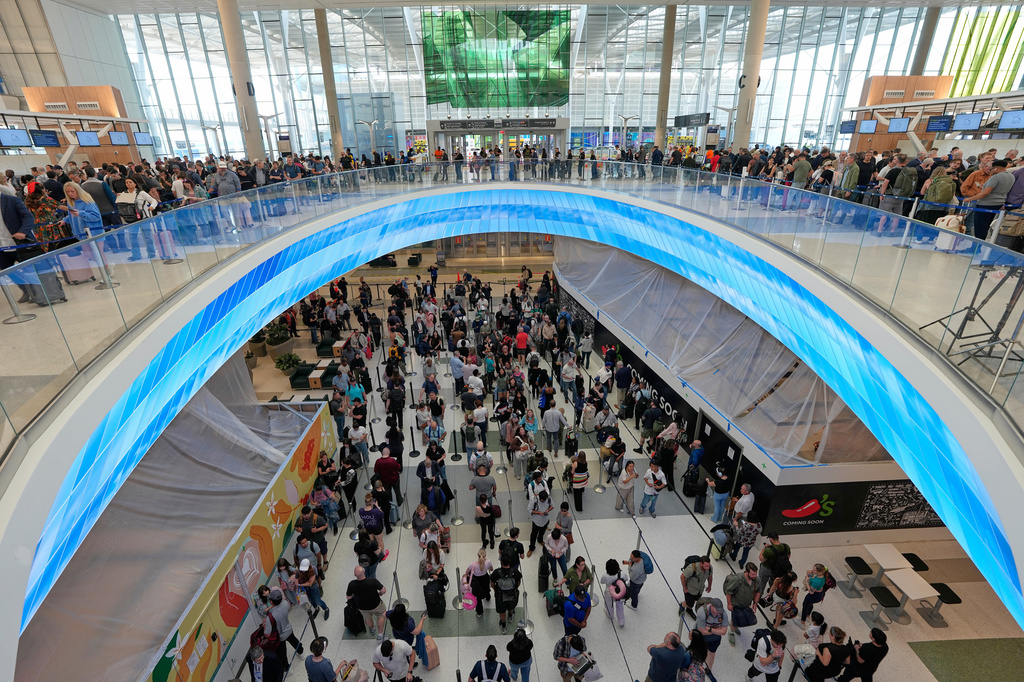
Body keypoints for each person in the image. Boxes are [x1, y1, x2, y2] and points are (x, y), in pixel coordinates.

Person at [347, 565, 388, 639]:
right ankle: (380, 634)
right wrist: (380, 593)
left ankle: (372, 629)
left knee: (368, 619)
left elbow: (348, 597)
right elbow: (383, 590)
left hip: (362, 607)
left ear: (355, 575)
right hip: (376, 605)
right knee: (381, 616)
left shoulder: (352, 584)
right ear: (364, 572)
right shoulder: (372, 581)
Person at [723, 562, 760, 645]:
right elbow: (728, 591)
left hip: (746, 604)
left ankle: (734, 625)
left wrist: (755, 603)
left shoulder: (756, 580)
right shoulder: (737, 579)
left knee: (741, 618)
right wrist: (729, 604)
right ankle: (731, 631)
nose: (755, 576)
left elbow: (758, 591)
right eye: (753, 574)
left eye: (755, 574)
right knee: (736, 619)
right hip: (736, 604)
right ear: (746, 572)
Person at [491, 552, 523, 634]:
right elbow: (518, 582)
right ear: (510, 561)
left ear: (501, 562)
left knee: (502, 612)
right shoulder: (515, 571)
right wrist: (514, 588)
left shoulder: (496, 572)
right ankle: (510, 616)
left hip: (500, 596)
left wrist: (496, 590)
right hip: (512, 594)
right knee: (511, 607)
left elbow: (492, 584)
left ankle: (504, 626)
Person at [694, 597, 728, 670]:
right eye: (717, 610)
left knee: (712, 654)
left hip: (715, 639)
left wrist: (710, 629)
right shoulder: (702, 613)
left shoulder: (723, 614)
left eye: (720, 611)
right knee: (697, 652)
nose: (719, 613)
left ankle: (709, 669)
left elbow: (724, 632)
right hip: (701, 638)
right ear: (711, 606)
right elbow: (701, 631)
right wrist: (717, 630)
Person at [465, 548, 495, 616]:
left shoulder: (472, 564)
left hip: (476, 580)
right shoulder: (488, 562)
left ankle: (479, 612)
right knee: (487, 589)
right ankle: (488, 597)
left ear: (477, 555)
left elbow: (467, 572)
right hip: (485, 578)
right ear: (485, 555)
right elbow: (491, 569)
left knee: (478, 597)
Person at [599, 558, 627, 627]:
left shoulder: (605, 576)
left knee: (609, 605)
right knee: (620, 606)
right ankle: (621, 621)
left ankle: (610, 615)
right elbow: (626, 579)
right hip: (620, 593)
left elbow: (602, 582)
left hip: (609, 593)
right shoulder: (622, 574)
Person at [527, 490, 553, 557]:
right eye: (542, 500)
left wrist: (548, 510)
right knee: (533, 534)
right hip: (536, 521)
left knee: (542, 532)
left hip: (545, 520)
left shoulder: (549, 499)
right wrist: (539, 513)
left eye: (544, 500)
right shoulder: (534, 500)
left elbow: (552, 506)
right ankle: (531, 548)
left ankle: (540, 540)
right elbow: (529, 510)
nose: (543, 501)